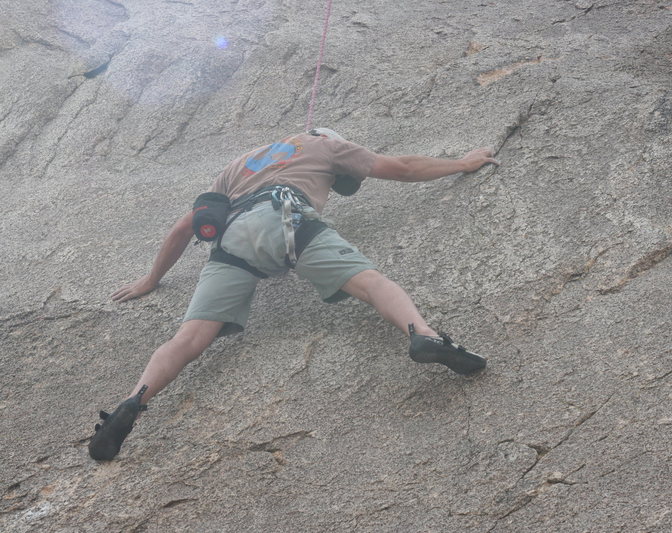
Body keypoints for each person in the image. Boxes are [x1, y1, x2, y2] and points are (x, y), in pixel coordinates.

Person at [88, 128, 499, 461]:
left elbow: (185, 227)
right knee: (373, 285)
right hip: (287, 220)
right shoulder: (325, 144)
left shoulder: (238, 165)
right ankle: (423, 334)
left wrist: (151, 279)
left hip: (231, 242)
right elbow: (403, 168)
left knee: (189, 338)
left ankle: (132, 401)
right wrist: (463, 163)